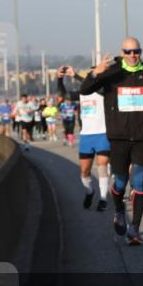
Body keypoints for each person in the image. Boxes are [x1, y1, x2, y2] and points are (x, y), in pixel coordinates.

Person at [80, 38, 143, 244]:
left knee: (138, 181)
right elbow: (85, 90)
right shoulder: (112, 72)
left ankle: (134, 228)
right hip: (118, 138)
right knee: (120, 182)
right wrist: (95, 73)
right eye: (128, 51)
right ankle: (118, 210)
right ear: (122, 52)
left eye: (137, 51)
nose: (133, 55)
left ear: (140, 52)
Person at [58, 66, 111, 211]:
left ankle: (103, 199)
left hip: (102, 134)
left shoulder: (104, 91)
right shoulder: (82, 93)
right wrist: (59, 78)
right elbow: (63, 94)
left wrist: (75, 75)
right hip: (86, 136)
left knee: (102, 167)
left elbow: (96, 86)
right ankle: (90, 192)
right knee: (85, 171)